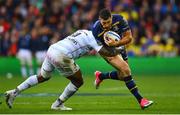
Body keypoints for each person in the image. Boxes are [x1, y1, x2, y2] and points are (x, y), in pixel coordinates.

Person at [5, 30, 119, 110]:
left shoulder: (84, 31)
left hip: (52, 49)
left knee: (42, 76)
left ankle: (14, 92)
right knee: (78, 81)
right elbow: (104, 52)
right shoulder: (94, 39)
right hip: (62, 55)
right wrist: (118, 48)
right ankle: (58, 104)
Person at [92, 8, 153, 109]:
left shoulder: (120, 19)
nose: (106, 25)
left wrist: (116, 44)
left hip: (120, 46)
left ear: (112, 17)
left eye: (108, 22)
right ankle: (141, 100)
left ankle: (101, 76)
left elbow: (129, 38)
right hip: (106, 51)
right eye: (104, 23)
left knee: (123, 75)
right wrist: (112, 49)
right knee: (126, 70)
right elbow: (99, 49)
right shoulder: (96, 30)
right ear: (99, 19)